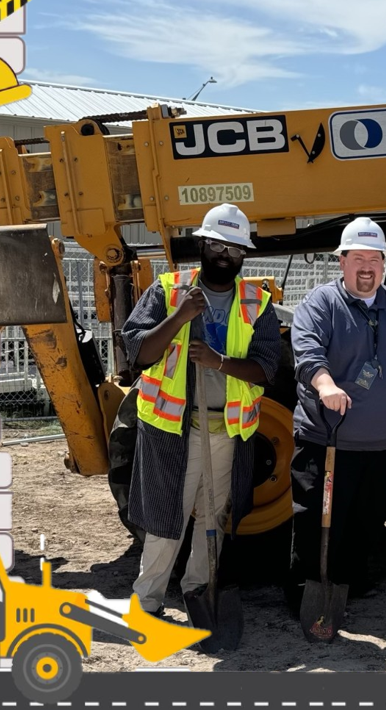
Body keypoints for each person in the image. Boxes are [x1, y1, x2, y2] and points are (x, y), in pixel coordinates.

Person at [122, 203, 280, 618]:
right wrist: (179, 317)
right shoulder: (168, 290)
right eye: (216, 244)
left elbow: (266, 368)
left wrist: (219, 362)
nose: (224, 255)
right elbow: (138, 351)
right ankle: (147, 601)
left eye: (233, 248)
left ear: (244, 254)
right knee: (165, 516)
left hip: (226, 432)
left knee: (212, 519)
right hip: (173, 429)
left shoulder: (256, 303)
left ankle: (198, 591)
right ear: (201, 245)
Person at [287, 217, 386, 612]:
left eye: (374, 259)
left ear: (384, 263)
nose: (367, 268)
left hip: (385, 444)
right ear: (342, 262)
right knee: (317, 522)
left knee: (368, 519)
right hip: (329, 441)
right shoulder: (321, 303)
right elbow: (307, 352)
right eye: (358, 258)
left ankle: (351, 582)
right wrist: (325, 385)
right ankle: (308, 589)